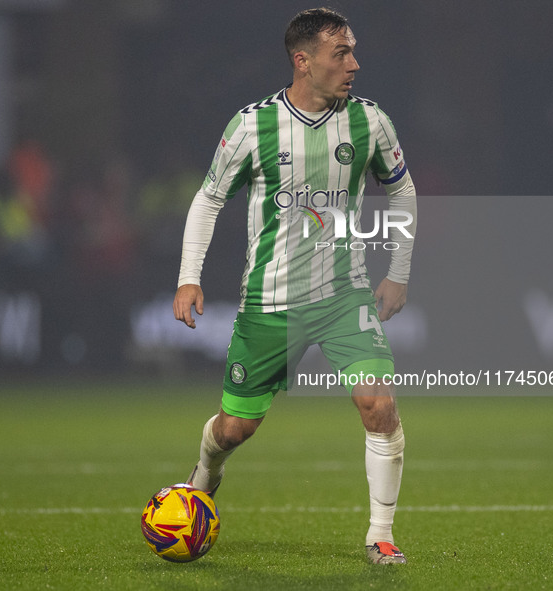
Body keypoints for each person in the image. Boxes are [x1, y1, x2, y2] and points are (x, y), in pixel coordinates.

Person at [173, 7, 417, 565]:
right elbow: (209, 199)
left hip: (344, 297)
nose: (354, 63)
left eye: (353, 51)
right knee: (235, 429)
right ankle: (203, 478)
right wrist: (190, 277)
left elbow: (402, 194)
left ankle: (381, 534)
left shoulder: (370, 121)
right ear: (303, 62)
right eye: (341, 53)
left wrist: (397, 274)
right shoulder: (251, 125)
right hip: (271, 302)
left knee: (378, 404)